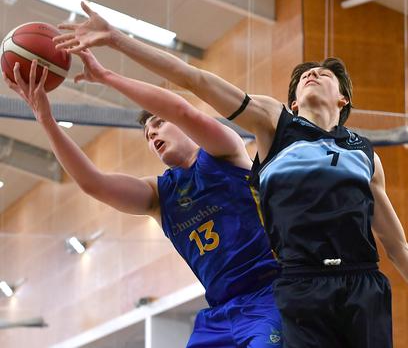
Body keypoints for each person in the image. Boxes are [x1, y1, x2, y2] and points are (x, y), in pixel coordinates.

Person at [54, 1, 408, 348]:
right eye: (302, 76)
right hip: (297, 284)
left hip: (362, 281)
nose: (312, 73)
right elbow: (193, 80)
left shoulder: (365, 155)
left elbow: (399, 247)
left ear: (343, 97)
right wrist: (116, 40)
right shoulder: (275, 125)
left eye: (323, 73)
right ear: (291, 102)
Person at [3, 53, 282, 348]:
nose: (153, 134)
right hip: (221, 312)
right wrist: (45, 119)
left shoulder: (224, 152)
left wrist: (107, 76)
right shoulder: (159, 196)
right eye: (148, 134)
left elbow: (183, 111)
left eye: (160, 123)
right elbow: (92, 183)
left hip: (269, 293)